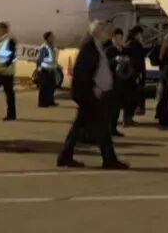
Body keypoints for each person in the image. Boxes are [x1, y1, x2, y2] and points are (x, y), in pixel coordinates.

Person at [57, 20, 128, 169]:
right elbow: (83, 72)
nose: (108, 33)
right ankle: (109, 159)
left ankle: (65, 156)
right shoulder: (90, 46)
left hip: (91, 94)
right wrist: (93, 88)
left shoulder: (96, 46)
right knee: (101, 128)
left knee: (81, 127)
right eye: (105, 30)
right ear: (98, 32)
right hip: (89, 95)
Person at [120, 25, 149, 127]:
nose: (142, 36)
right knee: (132, 97)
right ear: (137, 34)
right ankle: (127, 119)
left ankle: (128, 119)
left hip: (133, 74)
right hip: (134, 74)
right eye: (141, 34)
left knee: (132, 97)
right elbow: (137, 60)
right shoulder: (134, 44)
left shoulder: (131, 44)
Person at [105, 28, 125, 137]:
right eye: (117, 38)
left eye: (121, 38)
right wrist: (114, 60)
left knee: (117, 107)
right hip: (111, 81)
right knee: (111, 107)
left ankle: (113, 128)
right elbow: (105, 64)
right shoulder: (109, 50)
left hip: (120, 81)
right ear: (113, 39)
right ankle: (108, 128)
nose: (119, 40)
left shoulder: (122, 50)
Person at [35, 32, 60, 108]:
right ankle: (42, 103)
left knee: (52, 86)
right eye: (52, 37)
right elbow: (40, 59)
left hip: (51, 69)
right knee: (44, 87)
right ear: (48, 38)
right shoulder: (44, 47)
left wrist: (56, 66)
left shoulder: (52, 47)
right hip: (45, 70)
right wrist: (39, 68)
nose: (53, 38)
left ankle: (50, 101)